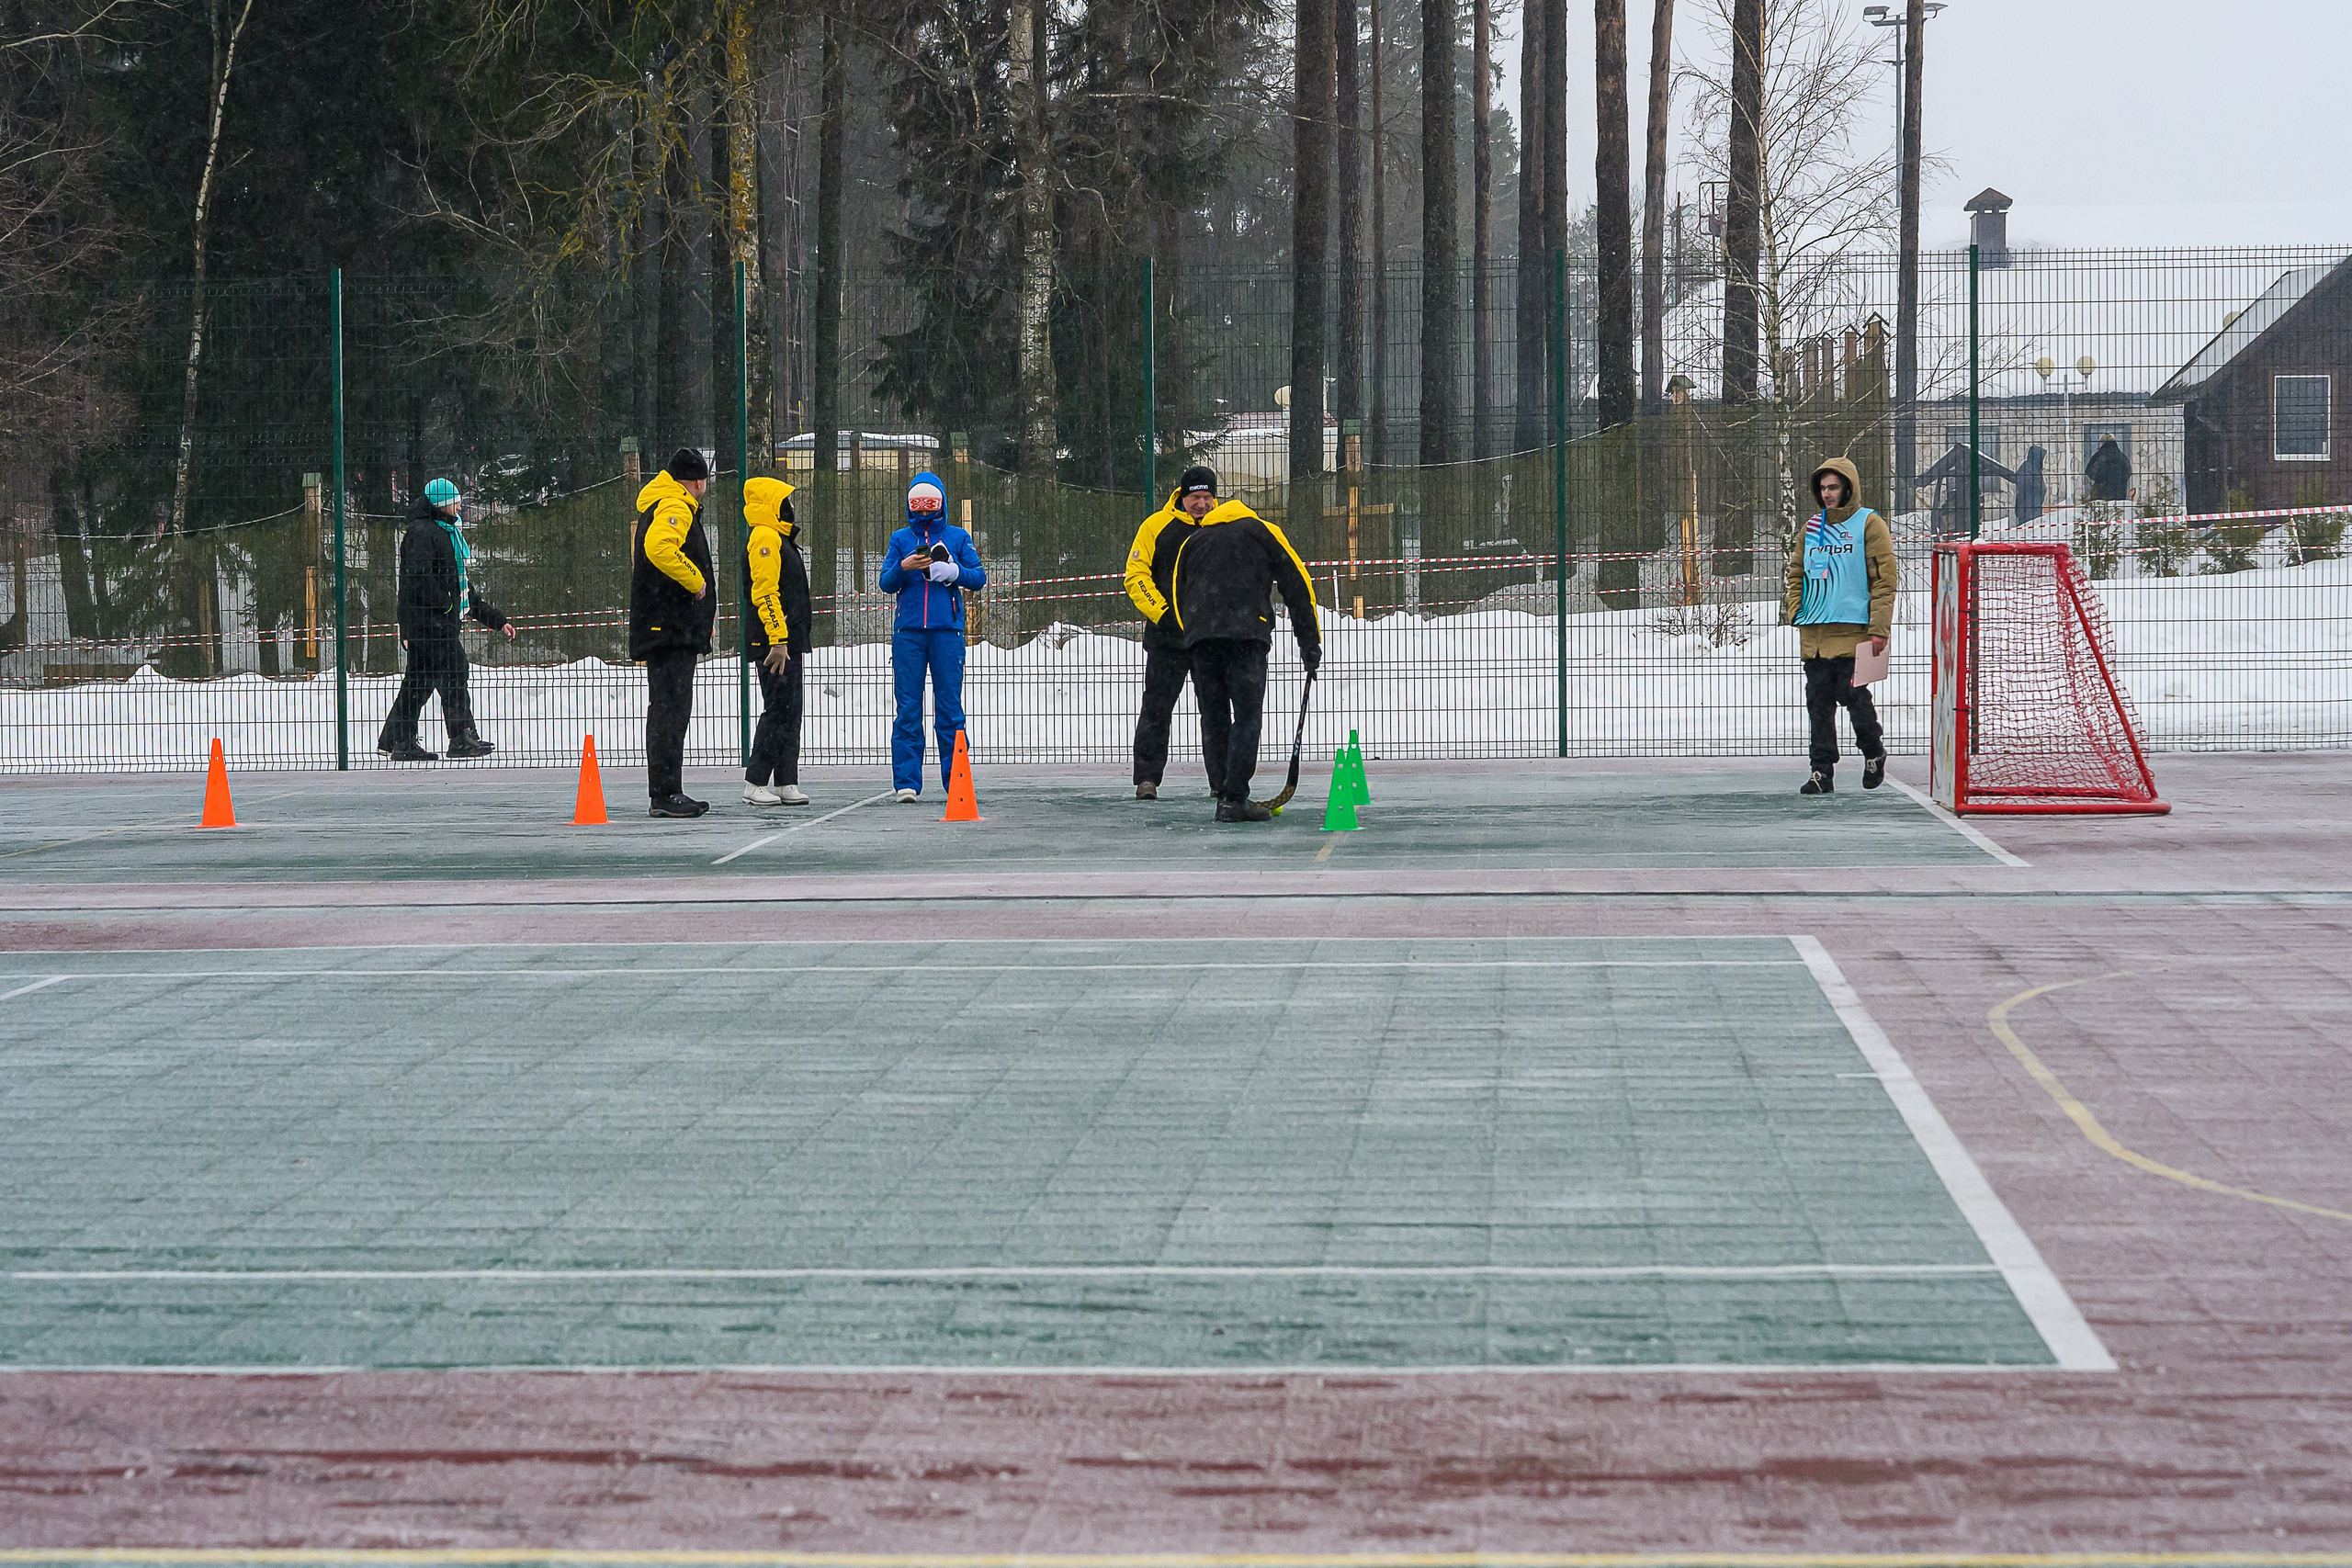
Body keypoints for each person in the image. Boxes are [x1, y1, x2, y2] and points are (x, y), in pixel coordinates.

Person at [1148, 470, 1321, 822]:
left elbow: (1179, 594)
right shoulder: (1262, 531)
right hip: (1246, 638)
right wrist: (1310, 643)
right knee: (1246, 717)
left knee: (1213, 716)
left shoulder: (1193, 541)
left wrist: (1191, 634)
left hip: (1201, 642)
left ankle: (1221, 787)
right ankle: (1234, 797)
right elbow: (1297, 584)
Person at [378, 477, 514, 762]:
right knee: (455, 670)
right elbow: (418, 579)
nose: (460, 506)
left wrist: (496, 620)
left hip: (431, 621)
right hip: (429, 623)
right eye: (455, 501)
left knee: (419, 680)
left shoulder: (444, 533)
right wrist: (447, 606)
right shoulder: (424, 534)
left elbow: (462, 590)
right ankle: (460, 736)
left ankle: (399, 739)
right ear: (441, 504)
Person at [1782, 456, 1896, 795]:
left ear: (1848, 487)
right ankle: (1821, 771)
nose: (1827, 493)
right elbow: (1796, 573)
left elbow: (1884, 580)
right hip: (1816, 633)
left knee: (1854, 696)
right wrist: (1795, 609)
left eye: (1833, 487)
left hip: (1854, 631)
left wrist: (1879, 627)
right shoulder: (1811, 528)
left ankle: (1873, 751)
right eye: (1822, 488)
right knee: (1818, 703)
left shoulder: (1868, 524)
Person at [879, 470, 987, 802]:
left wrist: (952, 571)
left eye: (930, 505)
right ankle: (907, 783)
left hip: (947, 633)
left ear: (941, 504)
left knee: (950, 709)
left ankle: (956, 781)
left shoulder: (957, 537)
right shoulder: (900, 539)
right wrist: (904, 567)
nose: (924, 512)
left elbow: (978, 576)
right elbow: (886, 582)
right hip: (909, 633)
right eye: (918, 505)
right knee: (908, 708)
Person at [1123, 467, 1218, 799]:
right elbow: (1136, 575)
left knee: (1216, 709)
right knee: (1157, 708)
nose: (1202, 504)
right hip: (1167, 639)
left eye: (1207, 497)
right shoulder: (1154, 527)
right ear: (1182, 496)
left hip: (1211, 639)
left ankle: (1222, 782)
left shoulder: (1225, 526)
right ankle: (1147, 779)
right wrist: (1162, 613)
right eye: (1196, 497)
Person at [629, 446, 715, 818]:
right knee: (670, 708)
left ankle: (668, 789)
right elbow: (659, 547)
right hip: (670, 626)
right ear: (698, 481)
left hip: (666, 623)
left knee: (668, 707)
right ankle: (664, 793)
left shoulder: (664, 502)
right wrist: (695, 581)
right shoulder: (676, 506)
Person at [741, 475, 811, 807]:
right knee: (778, 707)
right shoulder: (764, 539)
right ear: (773, 505)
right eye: (787, 501)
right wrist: (778, 639)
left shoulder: (781, 539)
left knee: (791, 709)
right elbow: (765, 591)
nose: (792, 506)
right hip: (773, 643)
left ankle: (786, 779)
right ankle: (755, 781)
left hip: (789, 640)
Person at [2086, 434, 2132, 502]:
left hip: (2102, 491)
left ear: (2102, 442)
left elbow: (2090, 472)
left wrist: (2100, 479)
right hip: (2119, 491)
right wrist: (2120, 480)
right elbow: (2128, 472)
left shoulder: (2099, 455)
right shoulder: (2122, 456)